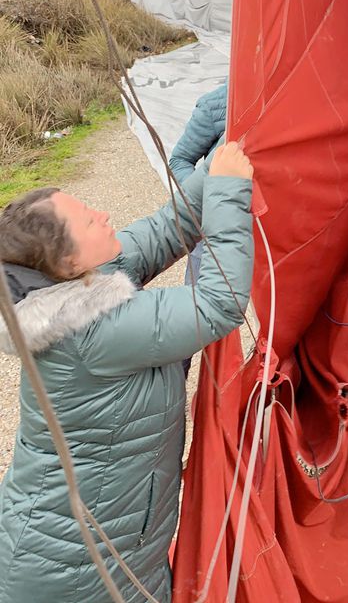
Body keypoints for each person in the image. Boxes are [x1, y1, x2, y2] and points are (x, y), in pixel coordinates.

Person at [0, 141, 253, 603]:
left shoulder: (68, 287)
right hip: (74, 570)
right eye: (87, 220)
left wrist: (216, 166)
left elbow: (164, 229)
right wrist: (228, 190)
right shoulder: (90, 330)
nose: (102, 214)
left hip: (102, 544)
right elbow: (220, 303)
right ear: (68, 262)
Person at [169, 80, 228, 288]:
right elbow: (179, 160)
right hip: (215, 220)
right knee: (204, 300)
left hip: (272, 222)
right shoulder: (214, 104)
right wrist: (206, 199)